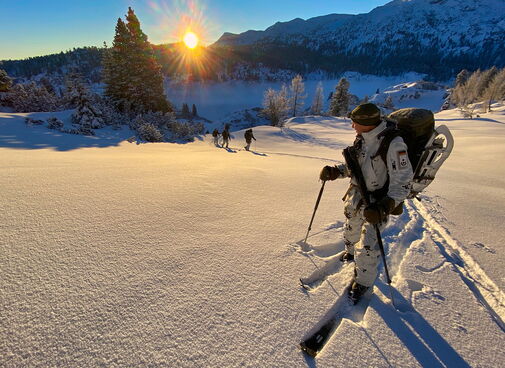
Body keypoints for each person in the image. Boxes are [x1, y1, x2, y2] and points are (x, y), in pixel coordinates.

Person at [319, 103, 413, 304]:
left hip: (377, 204)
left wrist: (384, 207)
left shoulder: (393, 144)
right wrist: (337, 171)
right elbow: (357, 166)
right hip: (357, 197)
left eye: (355, 122)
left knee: (369, 245)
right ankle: (351, 252)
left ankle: (363, 282)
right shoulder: (363, 138)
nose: (352, 126)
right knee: (351, 228)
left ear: (367, 123)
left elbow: (403, 182)